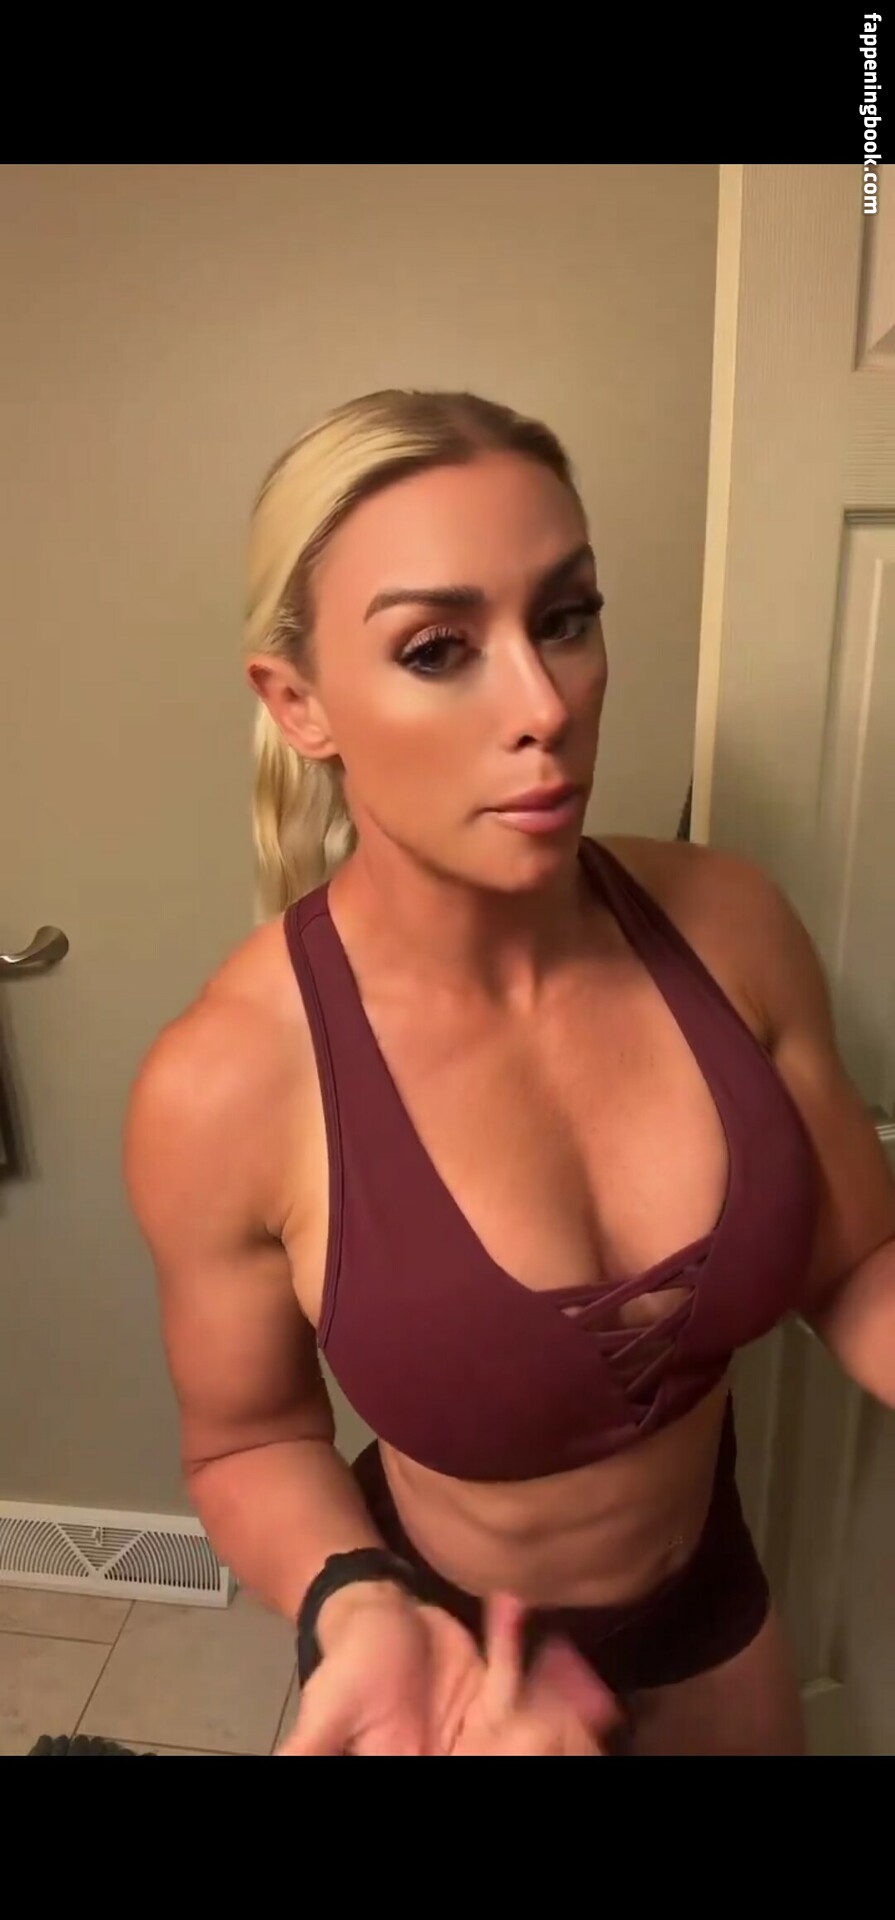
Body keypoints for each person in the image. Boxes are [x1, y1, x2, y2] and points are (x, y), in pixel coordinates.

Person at [126, 390, 895, 1756]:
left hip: (716, 1619)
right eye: (438, 649)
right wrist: (354, 1603)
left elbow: (854, 1262)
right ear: (301, 703)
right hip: (456, 1686)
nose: (545, 706)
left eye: (567, 618)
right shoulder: (229, 1087)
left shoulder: (732, 928)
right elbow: (248, 1441)